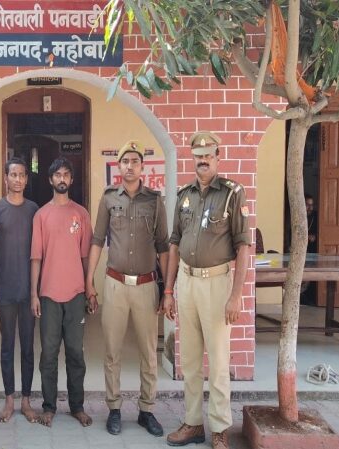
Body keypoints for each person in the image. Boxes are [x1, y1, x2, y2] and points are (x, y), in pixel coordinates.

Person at [162, 132, 249, 449]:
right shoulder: (184, 195)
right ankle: (193, 423)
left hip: (216, 284)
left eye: (208, 155)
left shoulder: (231, 194)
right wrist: (168, 290)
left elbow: (243, 247)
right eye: (198, 155)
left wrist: (236, 295)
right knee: (190, 361)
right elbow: (174, 243)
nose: (203, 160)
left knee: (219, 362)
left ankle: (220, 428)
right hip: (186, 282)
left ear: (217, 156)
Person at [85, 141, 167, 437]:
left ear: (142, 167)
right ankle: (114, 408)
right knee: (112, 350)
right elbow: (97, 240)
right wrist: (89, 281)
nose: (130, 166)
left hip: (146, 285)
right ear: (118, 166)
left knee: (148, 352)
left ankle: (147, 410)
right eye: (125, 161)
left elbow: (164, 246)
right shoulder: (109, 198)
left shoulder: (155, 201)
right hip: (115, 284)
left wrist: (168, 290)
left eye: (135, 161)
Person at [30, 157, 95, 428]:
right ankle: (49, 407)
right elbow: (36, 257)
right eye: (57, 174)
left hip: (76, 293)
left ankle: (77, 406)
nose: (62, 179)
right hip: (48, 294)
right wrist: (34, 294)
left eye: (66, 174)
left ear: (71, 179)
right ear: (50, 179)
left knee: (76, 353)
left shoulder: (81, 214)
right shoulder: (41, 215)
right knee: (48, 354)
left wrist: (90, 288)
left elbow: (86, 256)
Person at [0, 157, 40, 423]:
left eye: (21, 175)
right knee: (7, 346)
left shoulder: (34, 210)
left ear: (26, 179)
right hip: (6, 292)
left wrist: (35, 293)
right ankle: (9, 399)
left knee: (28, 348)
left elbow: (38, 254)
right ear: (5, 178)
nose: (17, 179)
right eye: (13, 175)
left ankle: (26, 400)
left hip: (28, 292)